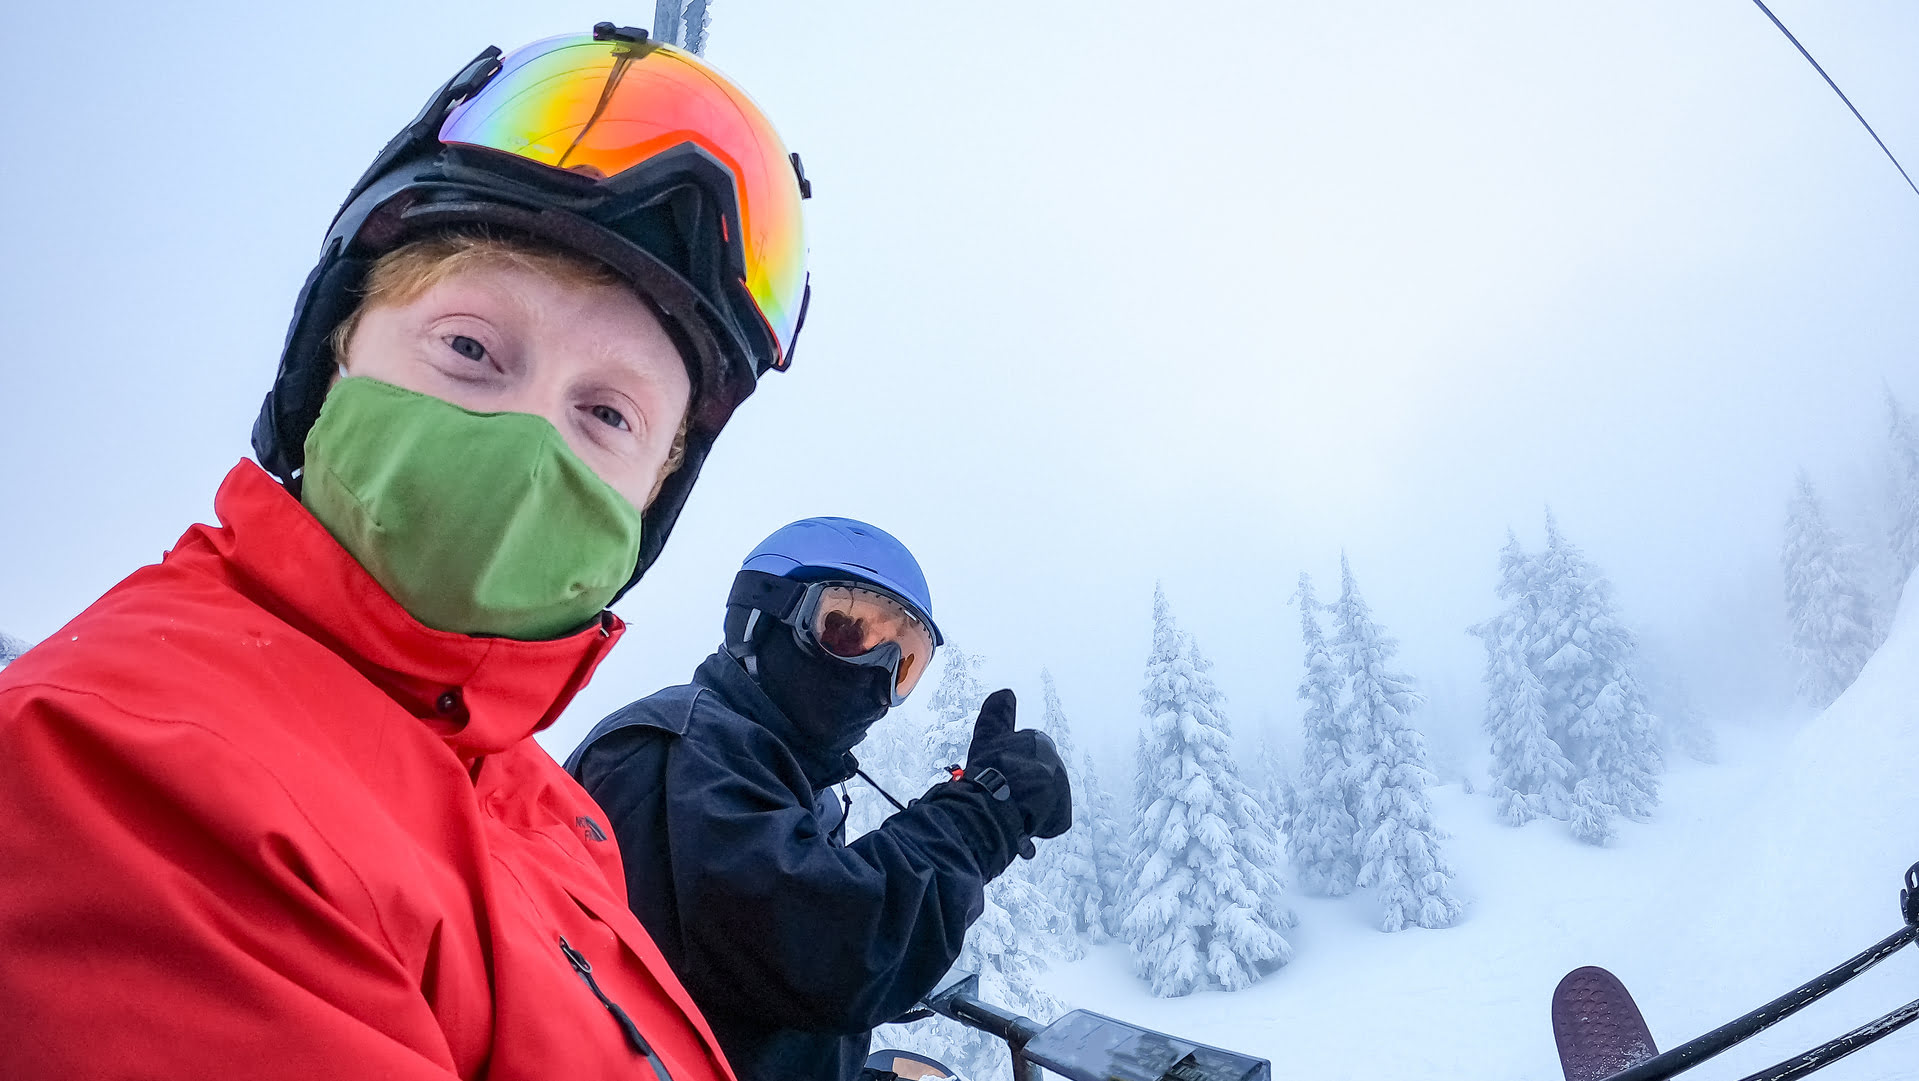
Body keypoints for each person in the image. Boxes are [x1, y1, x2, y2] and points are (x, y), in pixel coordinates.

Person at [0, 24, 811, 1079]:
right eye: (470, 348)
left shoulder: (534, 798)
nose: (528, 442)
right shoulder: (124, 762)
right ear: (334, 355)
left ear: (652, 499)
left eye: (606, 414)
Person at [567, 517, 1074, 1081]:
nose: (877, 675)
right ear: (760, 619)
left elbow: (746, 1008)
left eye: (903, 660)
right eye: (849, 631)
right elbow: (832, 951)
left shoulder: (779, 778)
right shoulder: (676, 751)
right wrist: (981, 816)